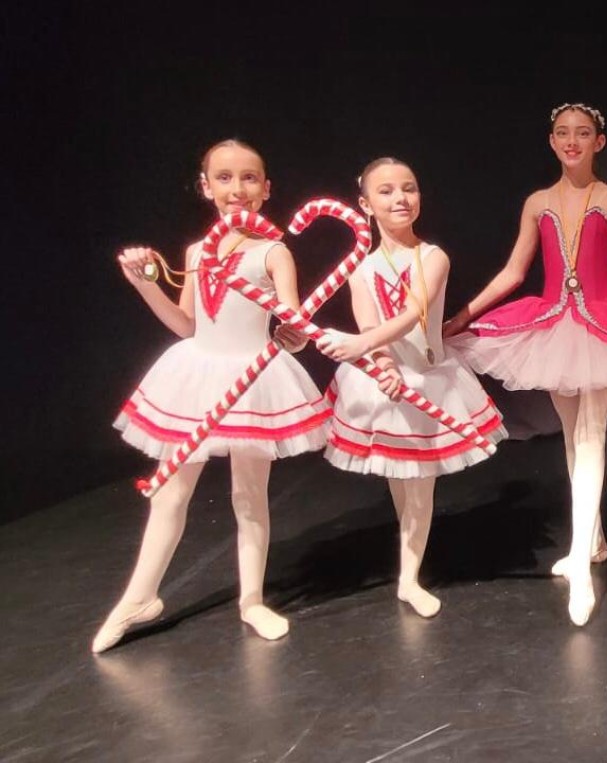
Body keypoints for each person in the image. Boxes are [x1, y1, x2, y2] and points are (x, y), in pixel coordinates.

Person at [442, 102, 607, 625]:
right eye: (562, 133)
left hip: (602, 324)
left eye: (582, 133)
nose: (571, 140)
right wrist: (463, 315)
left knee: (590, 435)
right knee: (572, 431)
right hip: (554, 323)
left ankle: (579, 560)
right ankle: (592, 540)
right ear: (551, 141)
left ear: (599, 142)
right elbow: (515, 270)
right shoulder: (538, 202)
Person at [94, 139, 329, 653]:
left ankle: (252, 601)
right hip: (197, 377)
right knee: (170, 493)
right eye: (224, 178)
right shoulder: (196, 253)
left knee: (249, 497)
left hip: (251, 382)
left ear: (266, 190)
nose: (236, 189)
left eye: (249, 178)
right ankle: (139, 597)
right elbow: (187, 325)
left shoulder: (273, 251)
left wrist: (295, 333)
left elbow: (293, 320)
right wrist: (144, 284)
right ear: (206, 187)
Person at [316, 157, 507, 618]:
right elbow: (369, 319)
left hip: (431, 380)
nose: (400, 198)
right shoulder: (359, 271)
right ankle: (409, 566)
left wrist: (364, 344)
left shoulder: (433, 256)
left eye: (409, 188)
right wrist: (382, 364)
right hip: (386, 383)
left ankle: (409, 579)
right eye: (386, 191)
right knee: (401, 484)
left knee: (420, 487)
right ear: (365, 205)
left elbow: (414, 313)